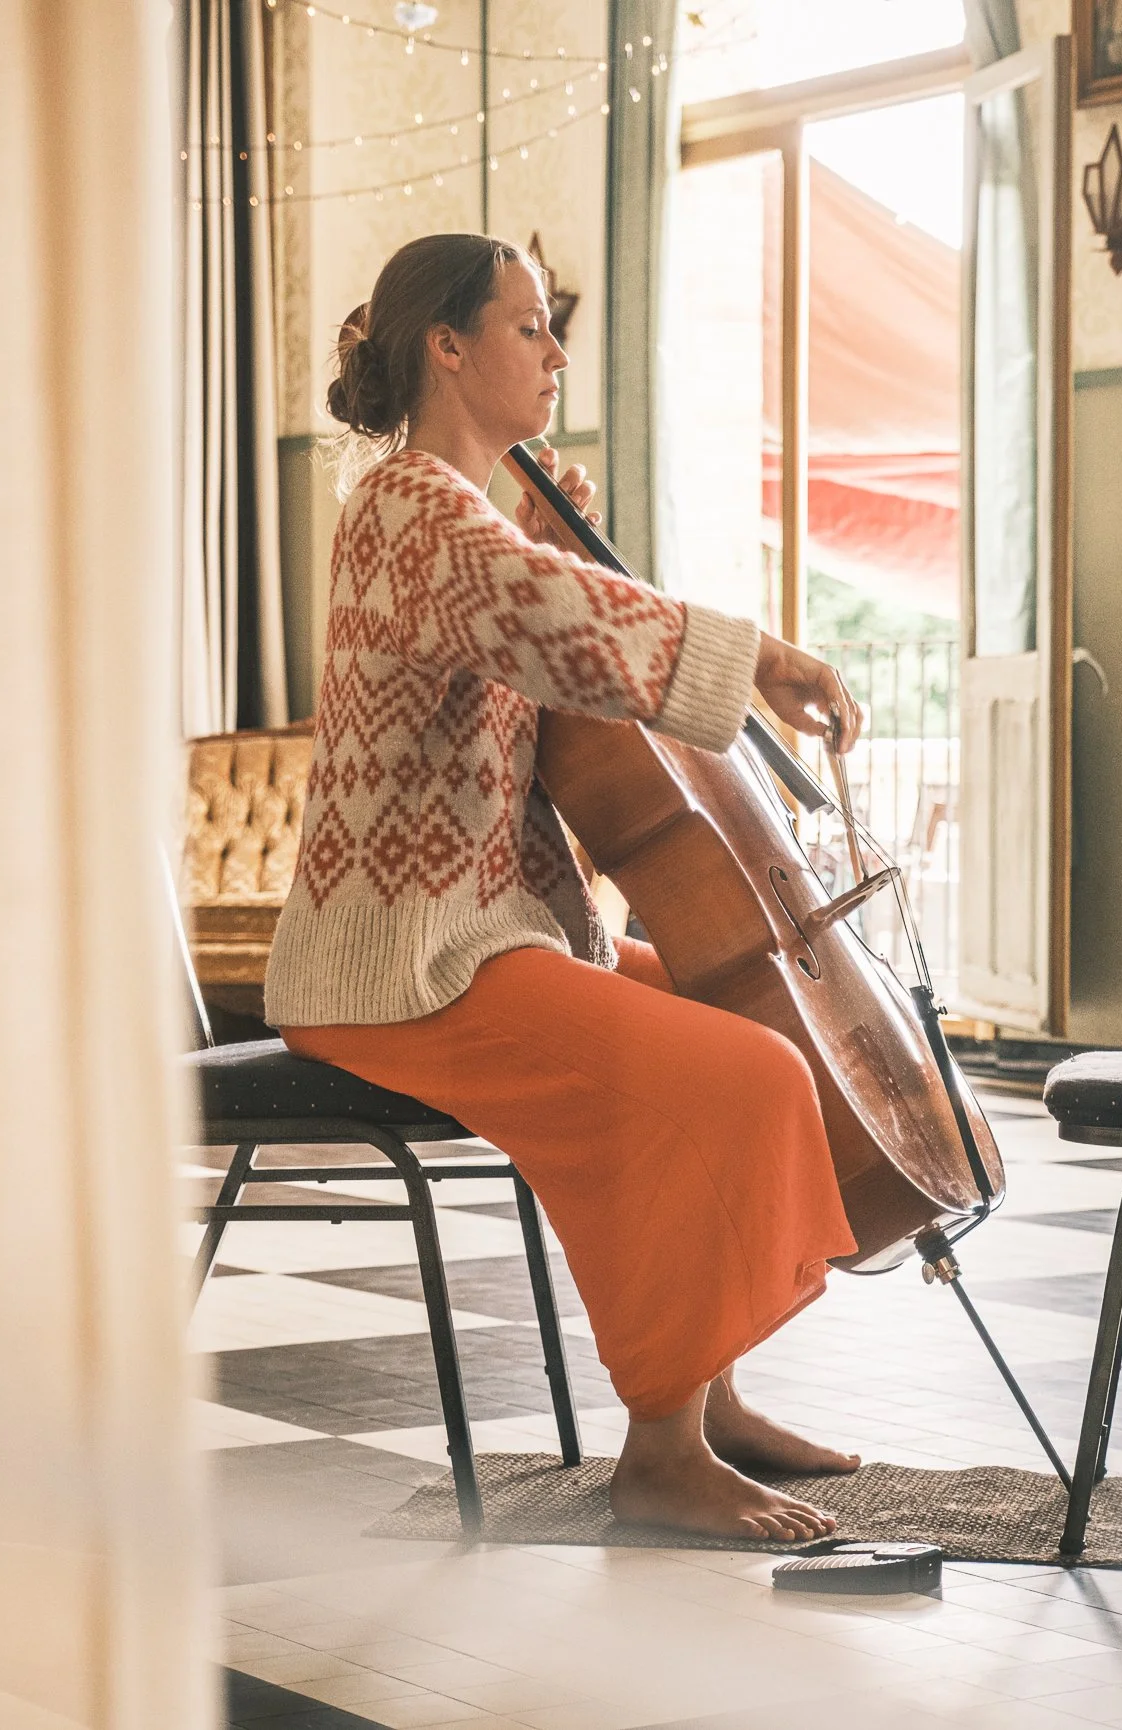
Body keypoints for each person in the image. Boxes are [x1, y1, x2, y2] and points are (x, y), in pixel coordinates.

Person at [266, 233, 866, 1542]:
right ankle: (660, 1452)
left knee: (752, 1026)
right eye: (530, 327)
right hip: (400, 965)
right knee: (740, 1077)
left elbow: (524, 615)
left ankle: (708, 1400)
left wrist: (538, 533)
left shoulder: (461, 514)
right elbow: (549, 614)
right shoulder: (412, 505)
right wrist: (756, 652)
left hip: (483, 939)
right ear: (448, 347)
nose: (554, 351)